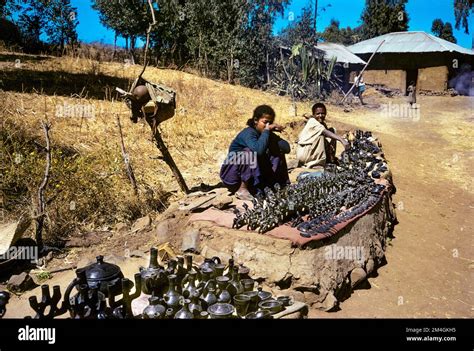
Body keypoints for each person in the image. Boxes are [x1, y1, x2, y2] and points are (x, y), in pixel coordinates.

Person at [220, 105, 290, 200]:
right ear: (256, 120)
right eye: (265, 122)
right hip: (233, 176)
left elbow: (286, 148)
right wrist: (266, 131)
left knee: (277, 151)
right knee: (249, 152)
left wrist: (272, 135)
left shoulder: (266, 133)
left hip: (253, 175)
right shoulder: (248, 133)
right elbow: (259, 151)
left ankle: (279, 185)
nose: (267, 125)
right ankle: (242, 189)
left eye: (270, 123)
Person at [296, 103, 350, 168]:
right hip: (304, 153)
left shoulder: (322, 124)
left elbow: (329, 134)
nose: (320, 115)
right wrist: (342, 140)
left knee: (332, 131)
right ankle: (317, 163)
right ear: (313, 115)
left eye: (323, 113)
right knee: (320, 137)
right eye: (318, 114)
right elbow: (325, 132)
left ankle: (330, 159)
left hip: (310, 152)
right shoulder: (312, 121)